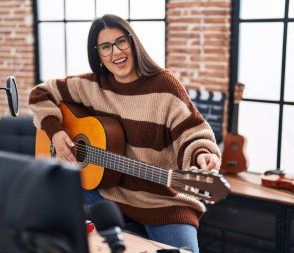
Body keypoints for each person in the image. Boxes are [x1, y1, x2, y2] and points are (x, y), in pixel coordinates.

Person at [29, 14, 221, 253]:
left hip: (164, 202)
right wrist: (56, 133)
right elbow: (40, 94)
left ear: (133, 43)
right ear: (98, 55)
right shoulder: (91, 86)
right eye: (105, 47)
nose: (116, 52)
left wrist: (202, 154)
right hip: (106, 196)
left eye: (121, 42)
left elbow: (193, 132)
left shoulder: (165, 85)